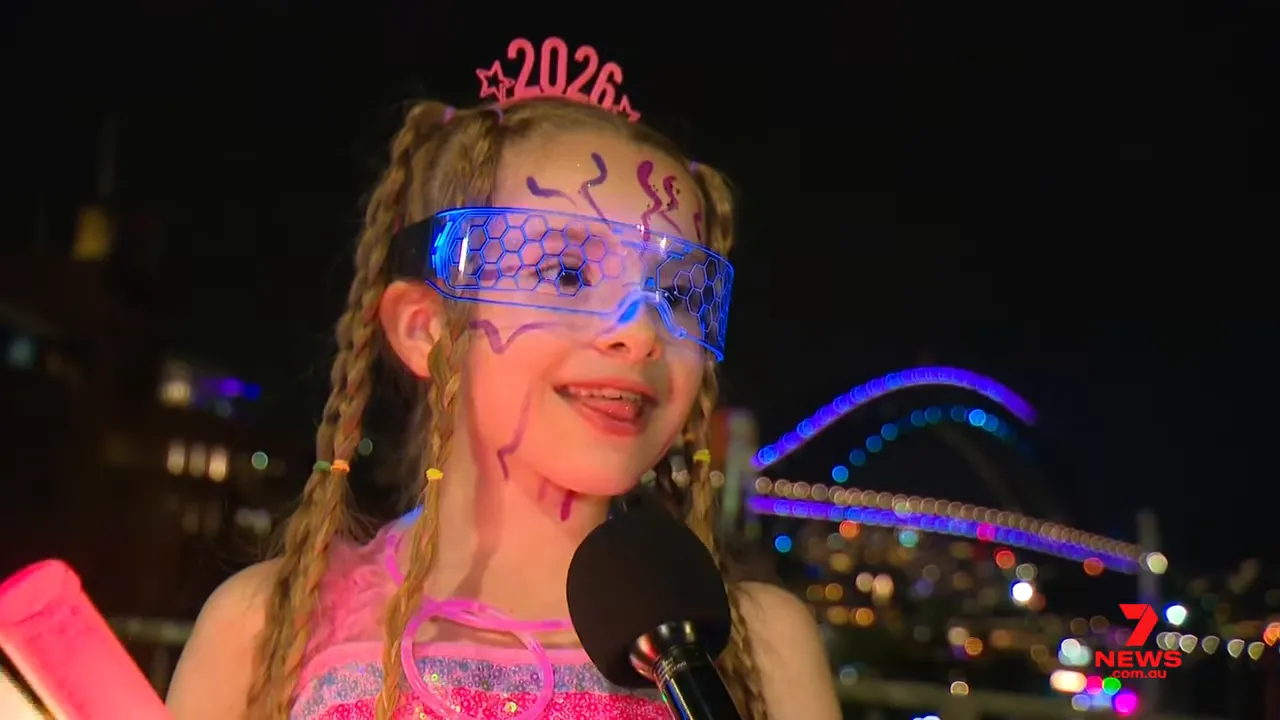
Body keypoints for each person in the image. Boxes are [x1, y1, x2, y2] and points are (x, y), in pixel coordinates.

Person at [165, 96, 840, 719]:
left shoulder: (755, 647)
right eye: (567, 275)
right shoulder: (269, 627)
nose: (639, 331)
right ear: (426, 328)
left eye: (679, 295)